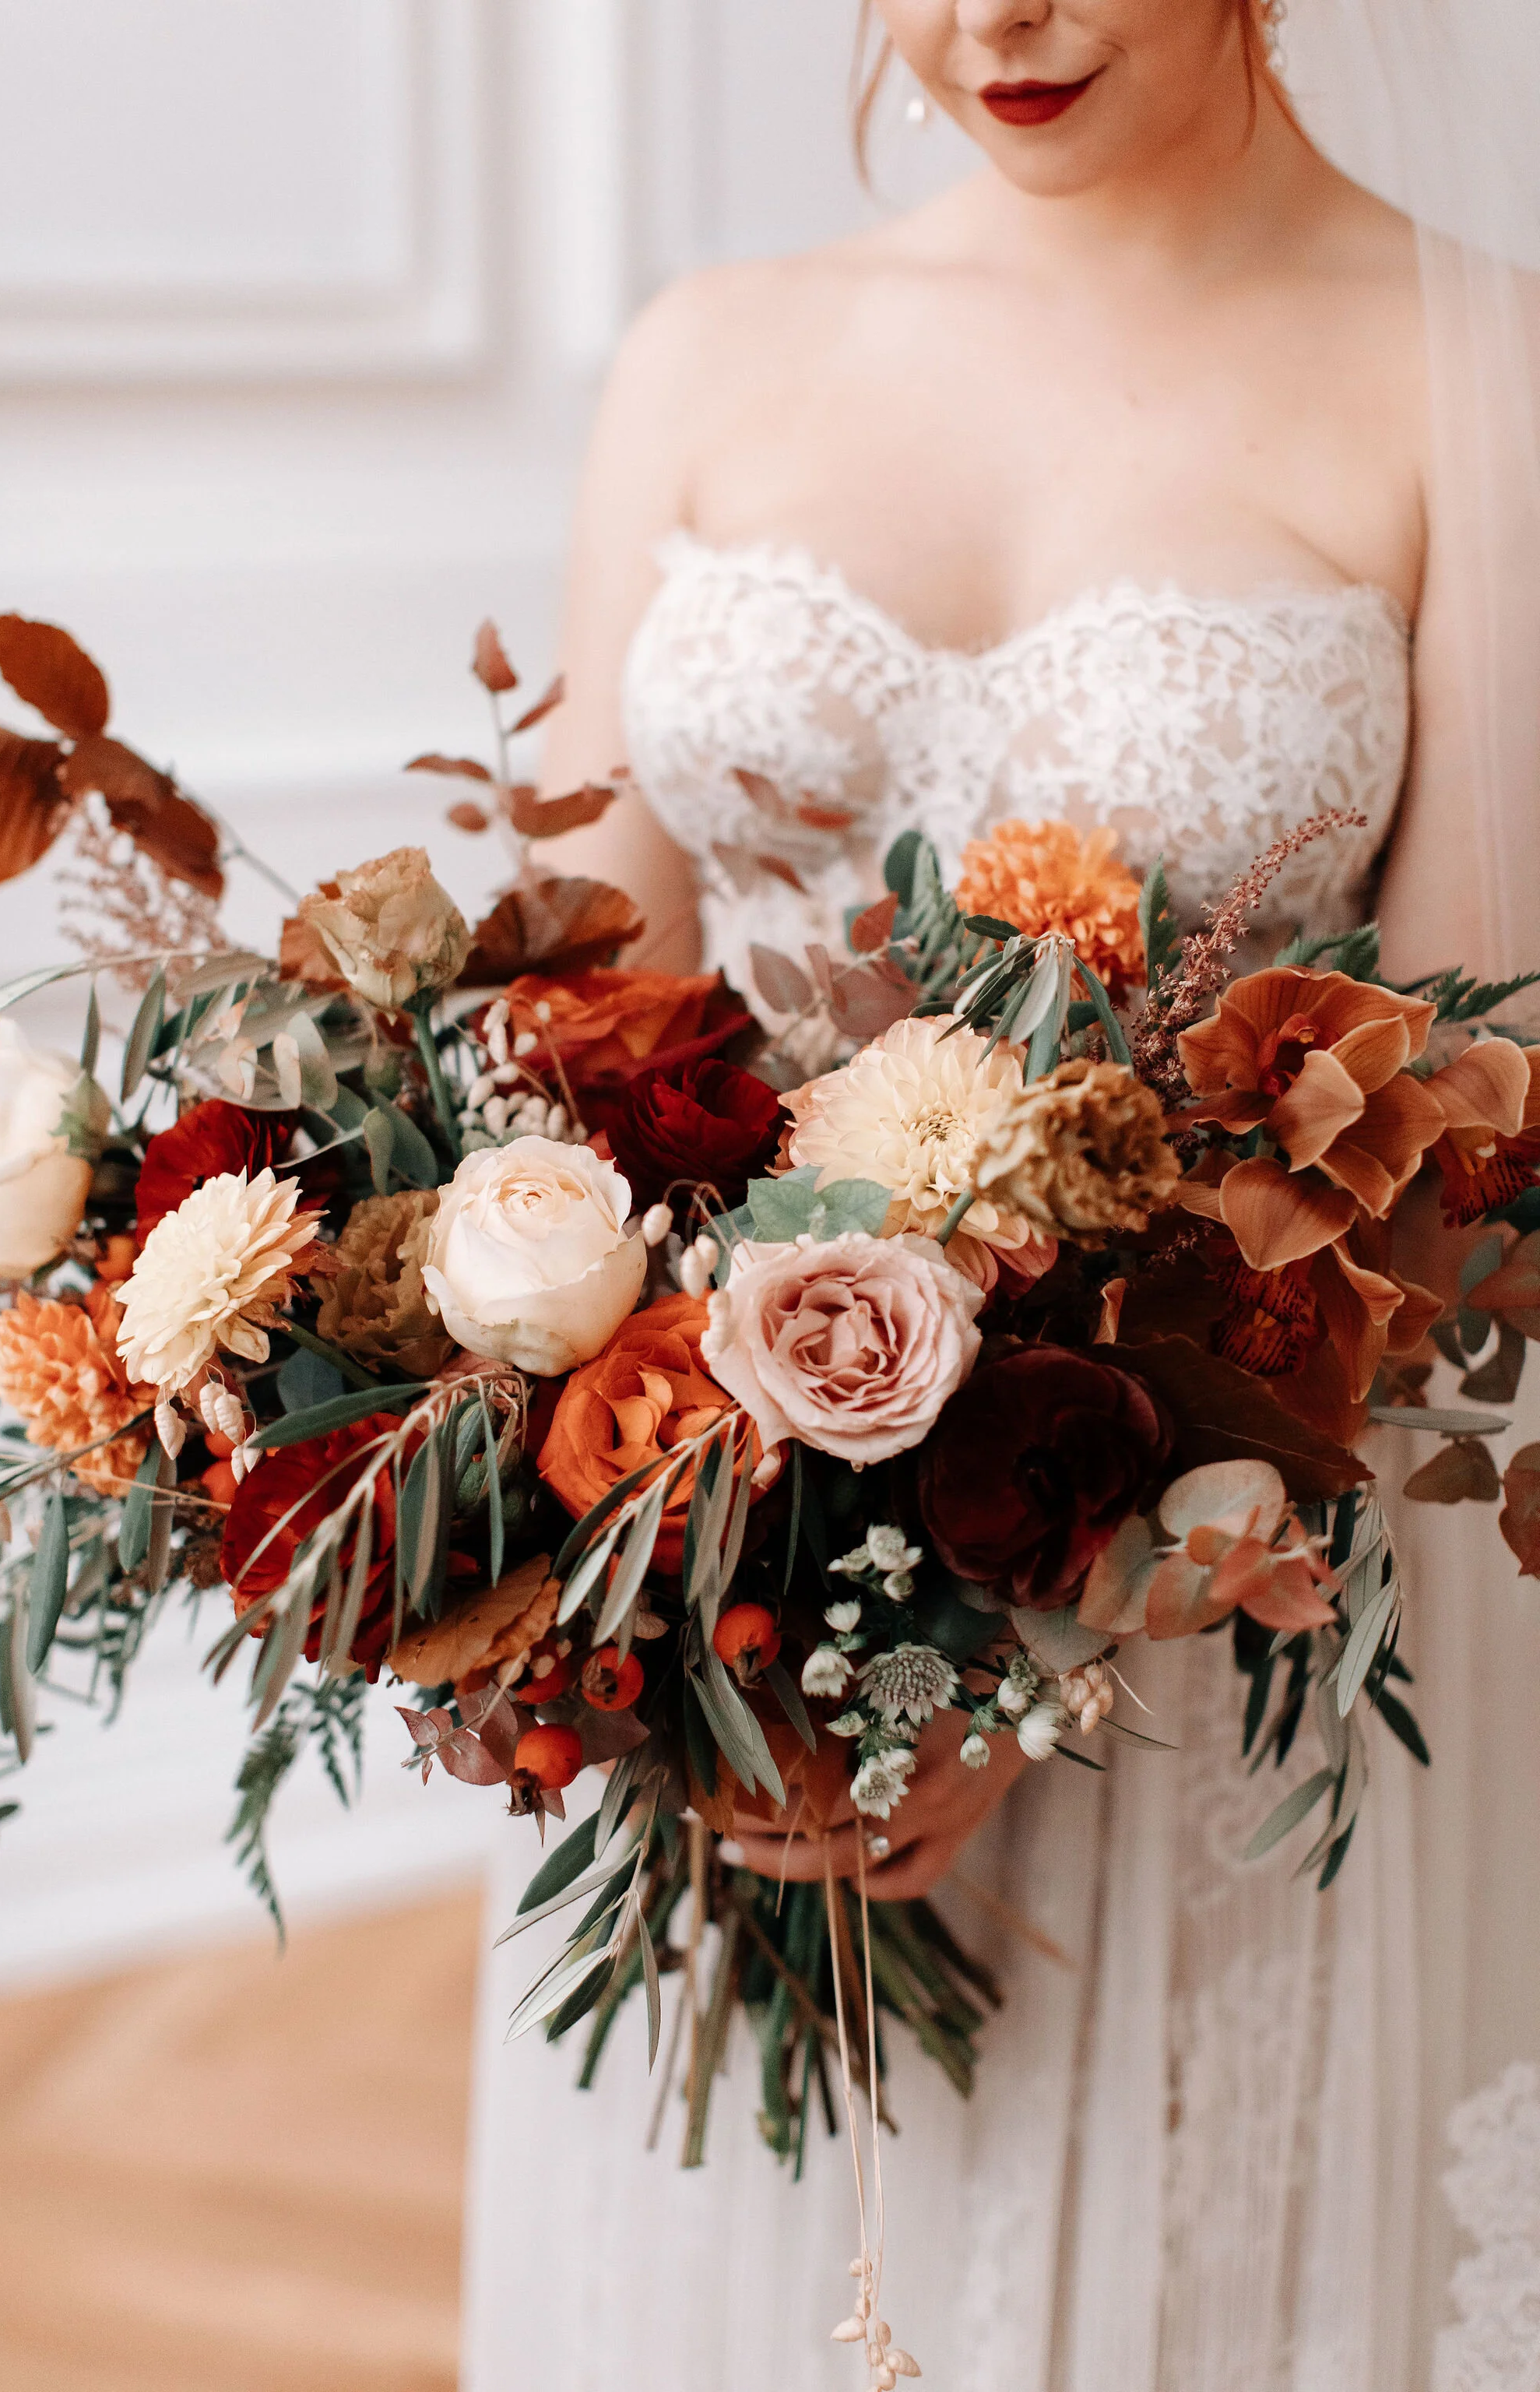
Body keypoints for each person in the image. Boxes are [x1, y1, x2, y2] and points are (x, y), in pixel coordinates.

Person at [462, 7, 1540, 2385]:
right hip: (731, 1632)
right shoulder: (711, 356)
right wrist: (632, 1591)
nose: (992, 24)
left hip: (1219, 1601)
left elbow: (1462, 1170)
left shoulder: (1478, 375)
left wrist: (1023, 1664)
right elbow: (572, 1032)